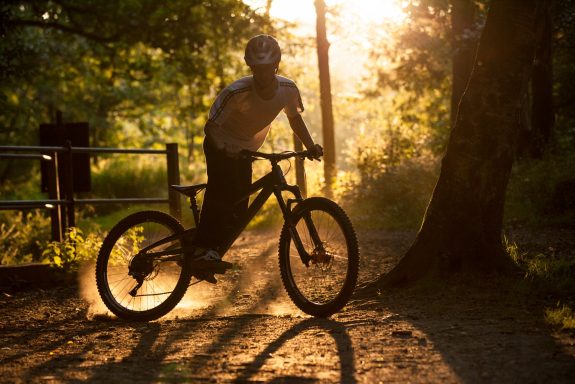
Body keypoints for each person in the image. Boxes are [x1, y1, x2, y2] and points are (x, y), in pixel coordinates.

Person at [186, 34, 323, 283]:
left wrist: (311, 146)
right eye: (257, 69)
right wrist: (225, 148)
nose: (262, 74)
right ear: (250, 67)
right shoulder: (235, 92)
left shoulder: (288, 89)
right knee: (222, 192)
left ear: (276, 65)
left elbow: (294, 118)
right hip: (221, 145)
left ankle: (210, 253)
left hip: (247, 149)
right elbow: (211, 128)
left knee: (239, 207)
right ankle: (201, 250)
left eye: (268, 68)